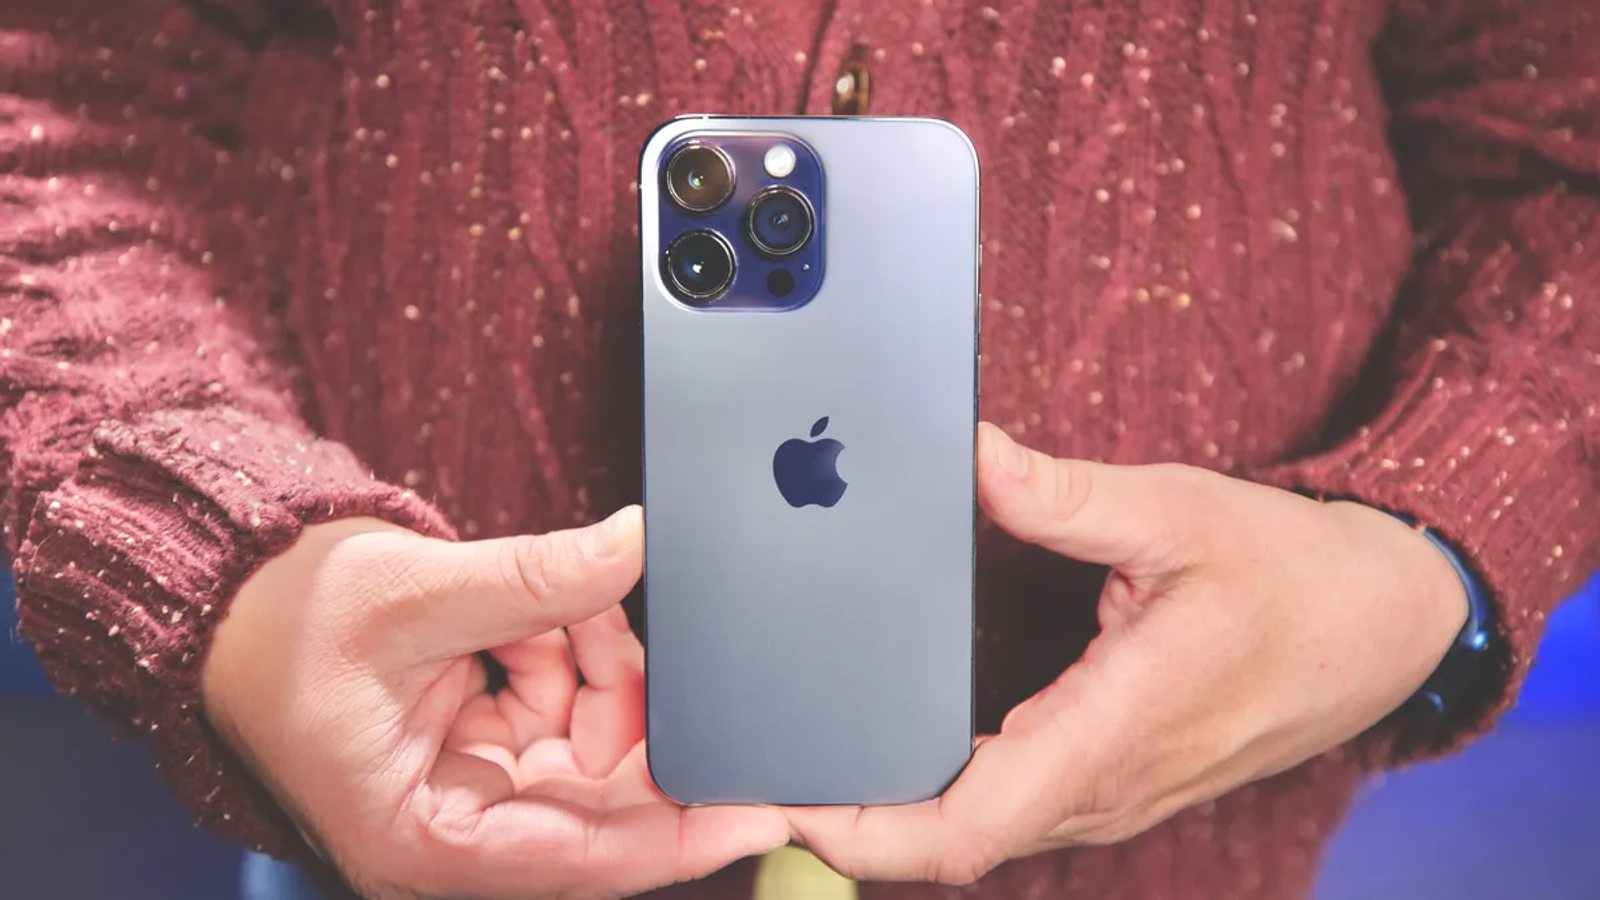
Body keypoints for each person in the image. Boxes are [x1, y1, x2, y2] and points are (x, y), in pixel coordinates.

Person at [2, 1, 1595, 898]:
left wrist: (1423, 553)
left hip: (1201, 856)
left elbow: (1568, 159)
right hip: (396, 804)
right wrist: (237, 571)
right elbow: (62, 96)